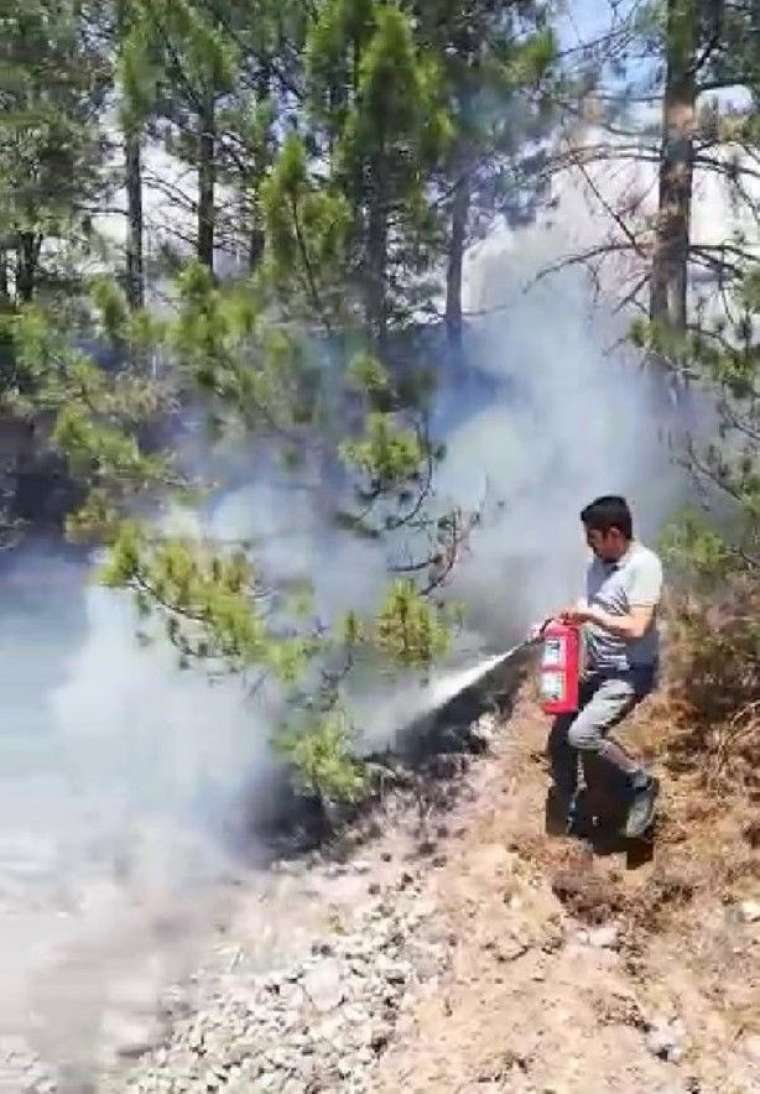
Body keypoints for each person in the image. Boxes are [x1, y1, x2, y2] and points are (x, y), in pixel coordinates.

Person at [546, 495, 662, 839]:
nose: (589, 545)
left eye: (593, 538)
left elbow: (637, 627)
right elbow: (591, 605)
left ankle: (641, 782)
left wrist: (592, 615)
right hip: (597, 671)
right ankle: (573, 808)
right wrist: (566, 620)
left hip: (629, 672)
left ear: (614, 534)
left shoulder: (644, 567)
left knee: (583, 734)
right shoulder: (597, 564)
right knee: (559, 741)